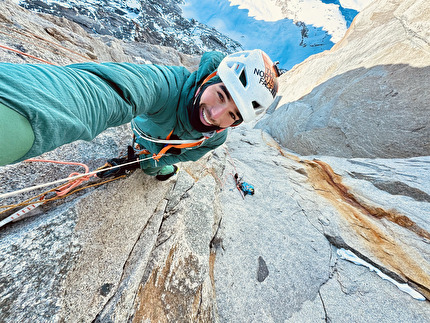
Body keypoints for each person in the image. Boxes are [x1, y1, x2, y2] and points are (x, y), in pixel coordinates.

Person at [0, 49, 280, 180]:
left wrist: (161, 158)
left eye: (232, 115)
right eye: (220, 95)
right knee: (151, 163)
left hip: (158, 150)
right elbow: (110, 90)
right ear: (209, 79)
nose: (215, 115)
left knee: (154, 169)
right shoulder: (166, 86)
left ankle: (160, 168)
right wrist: (21, 117)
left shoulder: (216, 138)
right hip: (144, 133)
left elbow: (191, 154)